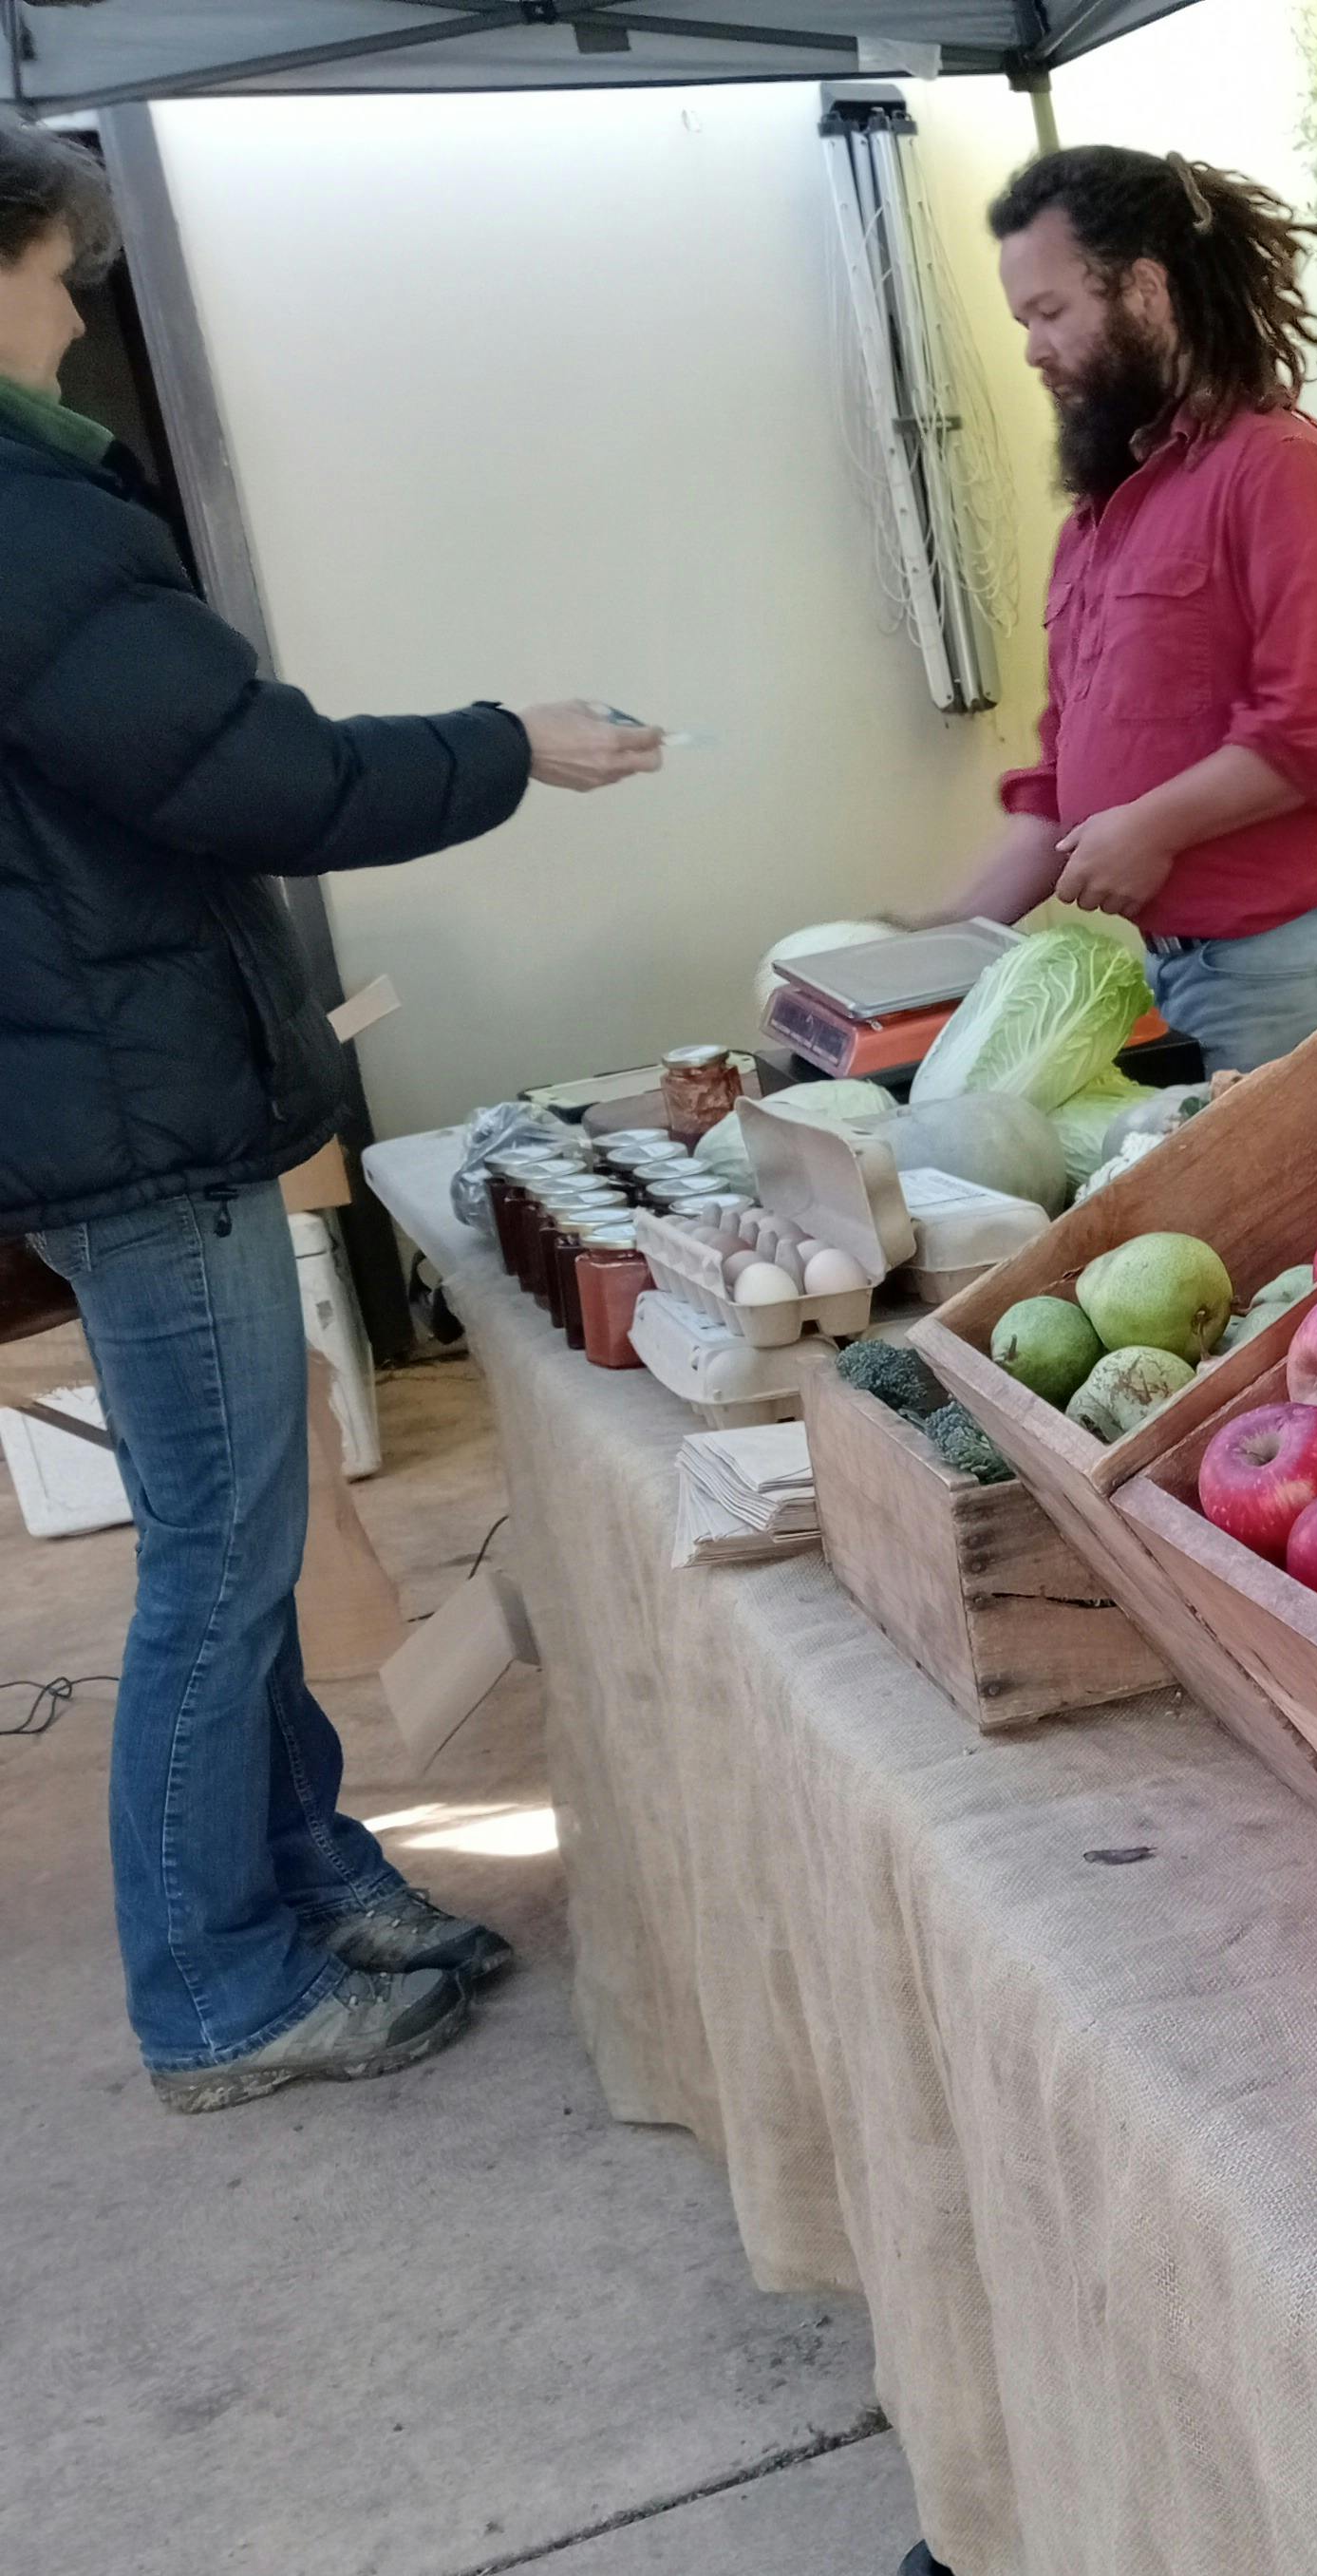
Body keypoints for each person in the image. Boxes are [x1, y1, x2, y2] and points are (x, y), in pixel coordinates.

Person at [0, 121, 662, 2112]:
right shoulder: (26, 521)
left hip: (120, 1095)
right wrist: (509, 743)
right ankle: (217, 1991)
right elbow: (257, 773)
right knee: (220, 1560)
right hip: (138, 1114)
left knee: (240, 1534)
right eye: (55, 280)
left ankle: (300, 1875)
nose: (73, 320)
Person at [910, 146, 1317, 1072]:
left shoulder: (1280, 473)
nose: (1032, 350)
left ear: (1144, 291)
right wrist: (934, 942)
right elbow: (1061, 786)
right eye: (1024, 322)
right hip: (1192, 972)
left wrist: (1152, 828)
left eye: (1052, 312)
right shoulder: (1097, 520)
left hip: (1305, 963)